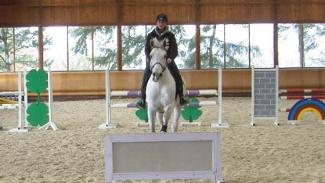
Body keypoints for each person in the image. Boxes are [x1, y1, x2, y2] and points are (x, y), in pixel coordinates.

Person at [136, 13, 188, 109]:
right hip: (154, 61)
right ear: (156, 23)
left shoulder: (170, 35)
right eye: (159, 22)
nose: (161, 23)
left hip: (167, 60)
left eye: (163, 22)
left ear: (165, 23)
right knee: (145, 77)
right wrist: (150, 58)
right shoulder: (150, 35)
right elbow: (146, 49)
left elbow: (175, 50)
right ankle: (143, 99)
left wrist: (170, 58)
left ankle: (181, 97)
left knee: (177, 76)